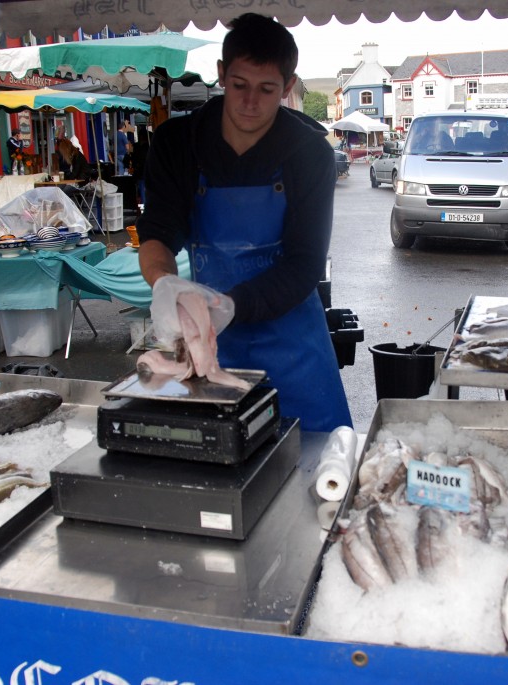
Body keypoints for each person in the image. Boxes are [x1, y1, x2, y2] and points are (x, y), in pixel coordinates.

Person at [135, 12, 351, 432]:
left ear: (288, 87)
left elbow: (305, 264)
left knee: (317, 468)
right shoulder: (178, 143)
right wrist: (165, 284)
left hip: (294, 344)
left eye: (266, 89)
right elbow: (157, 231)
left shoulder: (309, 153)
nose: (250, 102)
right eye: (239, 85)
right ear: (220, 74)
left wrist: (227, 305)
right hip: (208, 343)